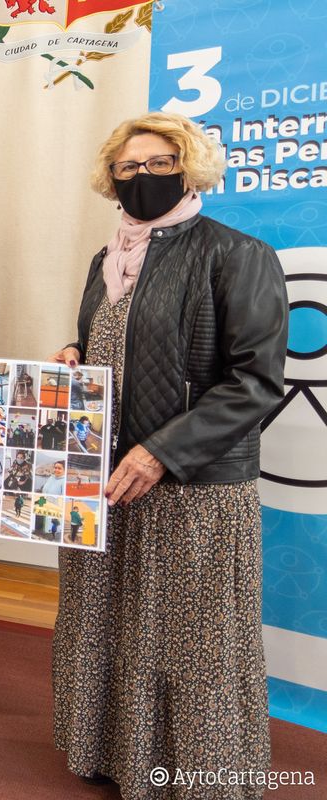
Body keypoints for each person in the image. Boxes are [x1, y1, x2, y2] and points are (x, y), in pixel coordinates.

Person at [49, 112, 288, 796]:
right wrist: (73, 354)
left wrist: (161, 452)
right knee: (110, 625)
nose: (142, 177)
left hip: (193, 489)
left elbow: (256, 382)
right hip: (107, 480)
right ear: (110, 177)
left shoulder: (237, 254)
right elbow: (102, 338)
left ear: (189, 168)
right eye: (128, 167)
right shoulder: (107, 259)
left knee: (193, 644)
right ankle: (121, 759)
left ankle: (203, 776)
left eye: (158, 164)